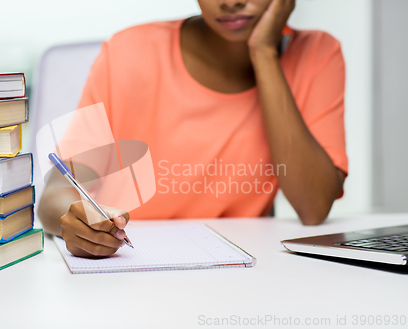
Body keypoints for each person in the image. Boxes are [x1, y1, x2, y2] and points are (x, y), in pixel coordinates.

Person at [38, 0, 348, 258]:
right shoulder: (129, 50)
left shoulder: (316, 52)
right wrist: (79, 223)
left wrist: (264, 53)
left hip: (242, 271)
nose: (231, 2)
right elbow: (55, 193)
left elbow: (314, 207)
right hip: (130, 268)